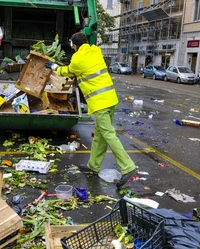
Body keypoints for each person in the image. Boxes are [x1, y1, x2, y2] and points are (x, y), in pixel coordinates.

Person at [45, 32, 137, 189]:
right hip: (110, 99)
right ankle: (94, 166)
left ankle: (128, 168)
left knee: (108, 134)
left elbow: (69, 71)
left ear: (74, 45)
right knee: (100, 135)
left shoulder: (78, 58)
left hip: (100, 102)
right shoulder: (95, 51)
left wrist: (55, 67)